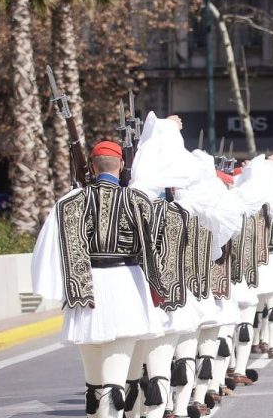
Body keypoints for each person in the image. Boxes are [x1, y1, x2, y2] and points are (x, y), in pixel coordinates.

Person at [32, 139, 168, 418]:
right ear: (121, 165)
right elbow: (155, 246)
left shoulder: (70, 201)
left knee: (93, 385)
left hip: (85, 289)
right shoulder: (137, 199)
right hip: (126, 286)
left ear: (91, 168)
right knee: (115, 382)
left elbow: (49, 251)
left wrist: (65, 290)